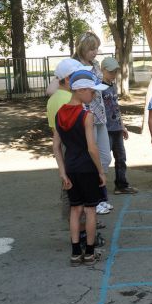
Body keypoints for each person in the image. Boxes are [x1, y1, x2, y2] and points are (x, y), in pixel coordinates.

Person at [52, 70, 108, 265]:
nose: (93, 95)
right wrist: (101, 170)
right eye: (92, 91)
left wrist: (62, 172)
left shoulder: (60, 114)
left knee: (75, 210)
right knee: (90, 210)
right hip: (87, 168)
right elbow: (92, 148)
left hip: (71, 168)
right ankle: (90, 252)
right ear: (81, 90)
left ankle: (76, 252)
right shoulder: (87, 115)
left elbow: (56, 146)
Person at [72, 31, 113, 215]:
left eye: (96, 48)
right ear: (83, 48)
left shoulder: (96, 64)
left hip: (100, 115)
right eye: (91, 49)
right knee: (91, 157)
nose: (95, 52)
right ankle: (95, 200)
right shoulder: (75, 65)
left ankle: (100, 195)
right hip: (86, 115)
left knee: (105, 157)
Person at [100, 57, 139, 195]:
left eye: (115, 71)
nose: (113, 74)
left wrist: (122, 126)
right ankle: (99, 188)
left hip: (116, 128)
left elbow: (116, 108)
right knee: (104, 160)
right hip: (105, 129)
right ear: (103, 70)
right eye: (111, 72)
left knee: (121, 158)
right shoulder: (99, 88)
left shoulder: (113, 85)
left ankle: (121, 185)